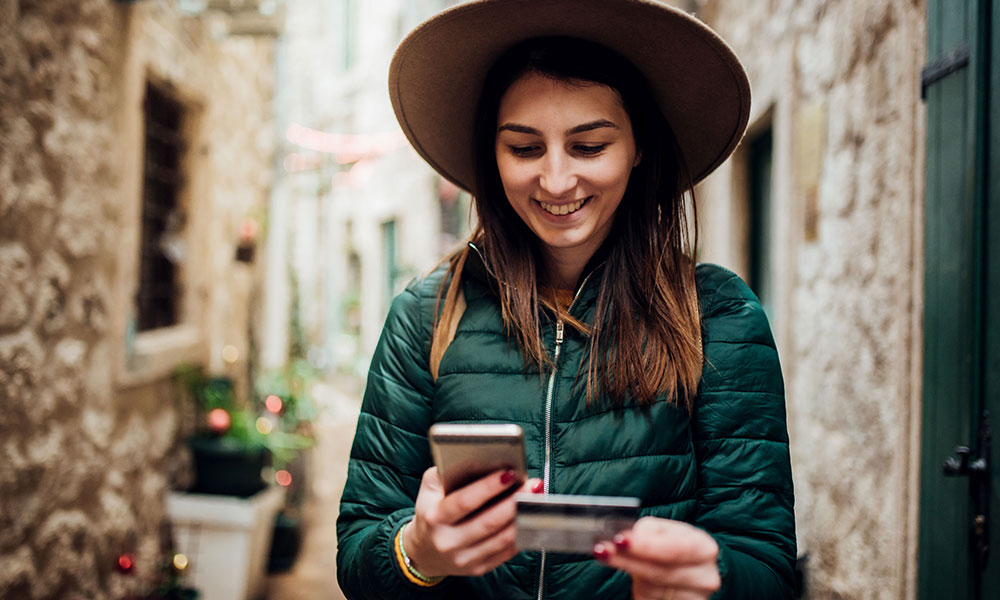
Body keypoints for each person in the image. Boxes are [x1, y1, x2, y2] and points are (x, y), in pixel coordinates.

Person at [336, 1, 796, 599]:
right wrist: (414, 551)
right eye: (525, 149)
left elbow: (768, 566)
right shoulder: (424, 317)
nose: (556, 182)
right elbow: (357, 551)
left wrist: (714, 579)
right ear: (490, 156)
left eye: (589, 146)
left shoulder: (719, 317)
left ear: (638, 148)